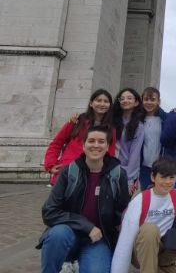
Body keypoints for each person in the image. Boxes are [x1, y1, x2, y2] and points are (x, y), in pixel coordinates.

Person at [38, 125, 130, 273]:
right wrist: (86, 226)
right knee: (57, 235)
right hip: (68, 233)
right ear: (84, 145)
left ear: (108, 146)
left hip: (98, 240)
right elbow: (49, 211)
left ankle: (79, 263)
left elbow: (122, 215)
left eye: (101, 141)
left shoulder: (118, 175)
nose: (95, 145)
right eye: (91, 141)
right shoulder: (68, 172)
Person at [111, 156, 176, 273]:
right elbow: (125, 240)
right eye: (163, 177)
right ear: (153, 177)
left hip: (165, 248)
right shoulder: (141, 200)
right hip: (141, 249)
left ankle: (154, 268)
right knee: (150, 230)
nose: (168, 182)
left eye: (171, 177)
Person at [44, 89, 116, 186]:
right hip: (68, 172)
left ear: (110, 105)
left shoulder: (111, 128)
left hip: (94, 175)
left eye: (106, 101)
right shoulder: (76, 121)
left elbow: (110, 153)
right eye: (98, 100)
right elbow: (57, 143)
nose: (102, 104)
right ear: (91, 103)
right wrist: (51, 164)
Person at [113, 88, 145, 195]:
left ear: (136, 102)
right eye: (122, 98)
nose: (125, 100)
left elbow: (135, 154)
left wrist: (129, 179)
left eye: (129, 98)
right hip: (109, 169)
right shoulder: (112, 121)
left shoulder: (139, 126)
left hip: (126, 171)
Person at [140, 87, 167, 190]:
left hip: (160, 165)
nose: (149, 102)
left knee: (160, 195)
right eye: (146, 99)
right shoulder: (138, 120)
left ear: (158, 101)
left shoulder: (165, 119)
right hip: (144, 167)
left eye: (153, 99)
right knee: (146, 195)